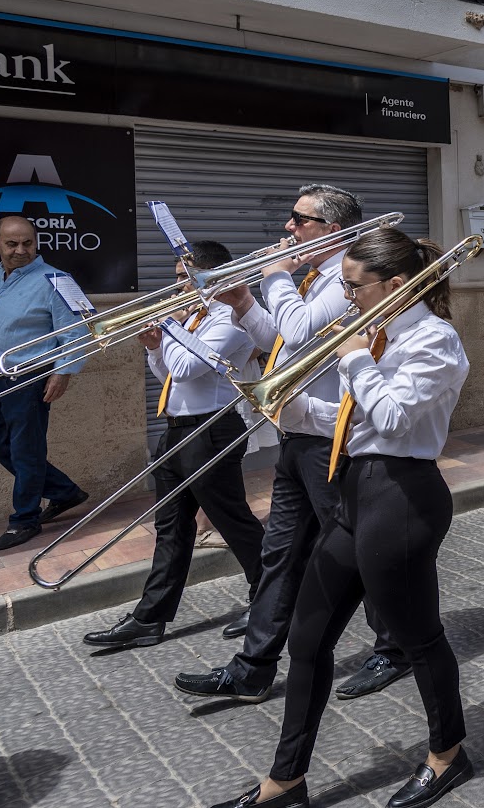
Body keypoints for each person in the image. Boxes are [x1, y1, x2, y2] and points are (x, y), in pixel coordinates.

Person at [208, 229, 472, 808]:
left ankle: (448, 754)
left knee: (419, 637)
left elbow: (395, 420)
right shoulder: (379, 333)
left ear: (395, 285)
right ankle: (286, 781)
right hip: (356, 490)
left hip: (403, 497)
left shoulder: (435, 339)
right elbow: (360, 422)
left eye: (354, 286)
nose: (346, 296)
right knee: (307, 638)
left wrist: (352, 357)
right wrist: (296, 408)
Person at [176, 185, 405, 703]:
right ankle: (252, 668)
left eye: (299, 220)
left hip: (330, 441)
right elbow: (278, 341)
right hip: (296, 435)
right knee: (280, 554)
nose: (288, 228)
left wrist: (274, 277)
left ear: (332, 230)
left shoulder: (347, 276)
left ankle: (396, 647)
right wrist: (243, 302)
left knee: (360, 552)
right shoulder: (313, 278)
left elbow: (299, 329)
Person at [82, 241, 266, 648]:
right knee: (171, 527)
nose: (176, 287)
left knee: (233, 522)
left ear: (210, 277)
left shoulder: (228, 320)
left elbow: (185, 367)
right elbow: (168, 372)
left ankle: (269, 598)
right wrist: (154, 346)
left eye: (184, 278)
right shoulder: (194, 318)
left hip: (211, 429)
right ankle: (150, 618)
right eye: (178, 277)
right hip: (177, 430)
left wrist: (168, 325)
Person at [0, 214, 88, 552]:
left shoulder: (58, 280)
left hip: (27, 379)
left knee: (26, 449)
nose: (20, 250)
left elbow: (78, 332)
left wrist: (63, 371)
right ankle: (63, 491)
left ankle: (25, 519)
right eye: (12, 243)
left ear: (36, 242)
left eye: (27, 243)